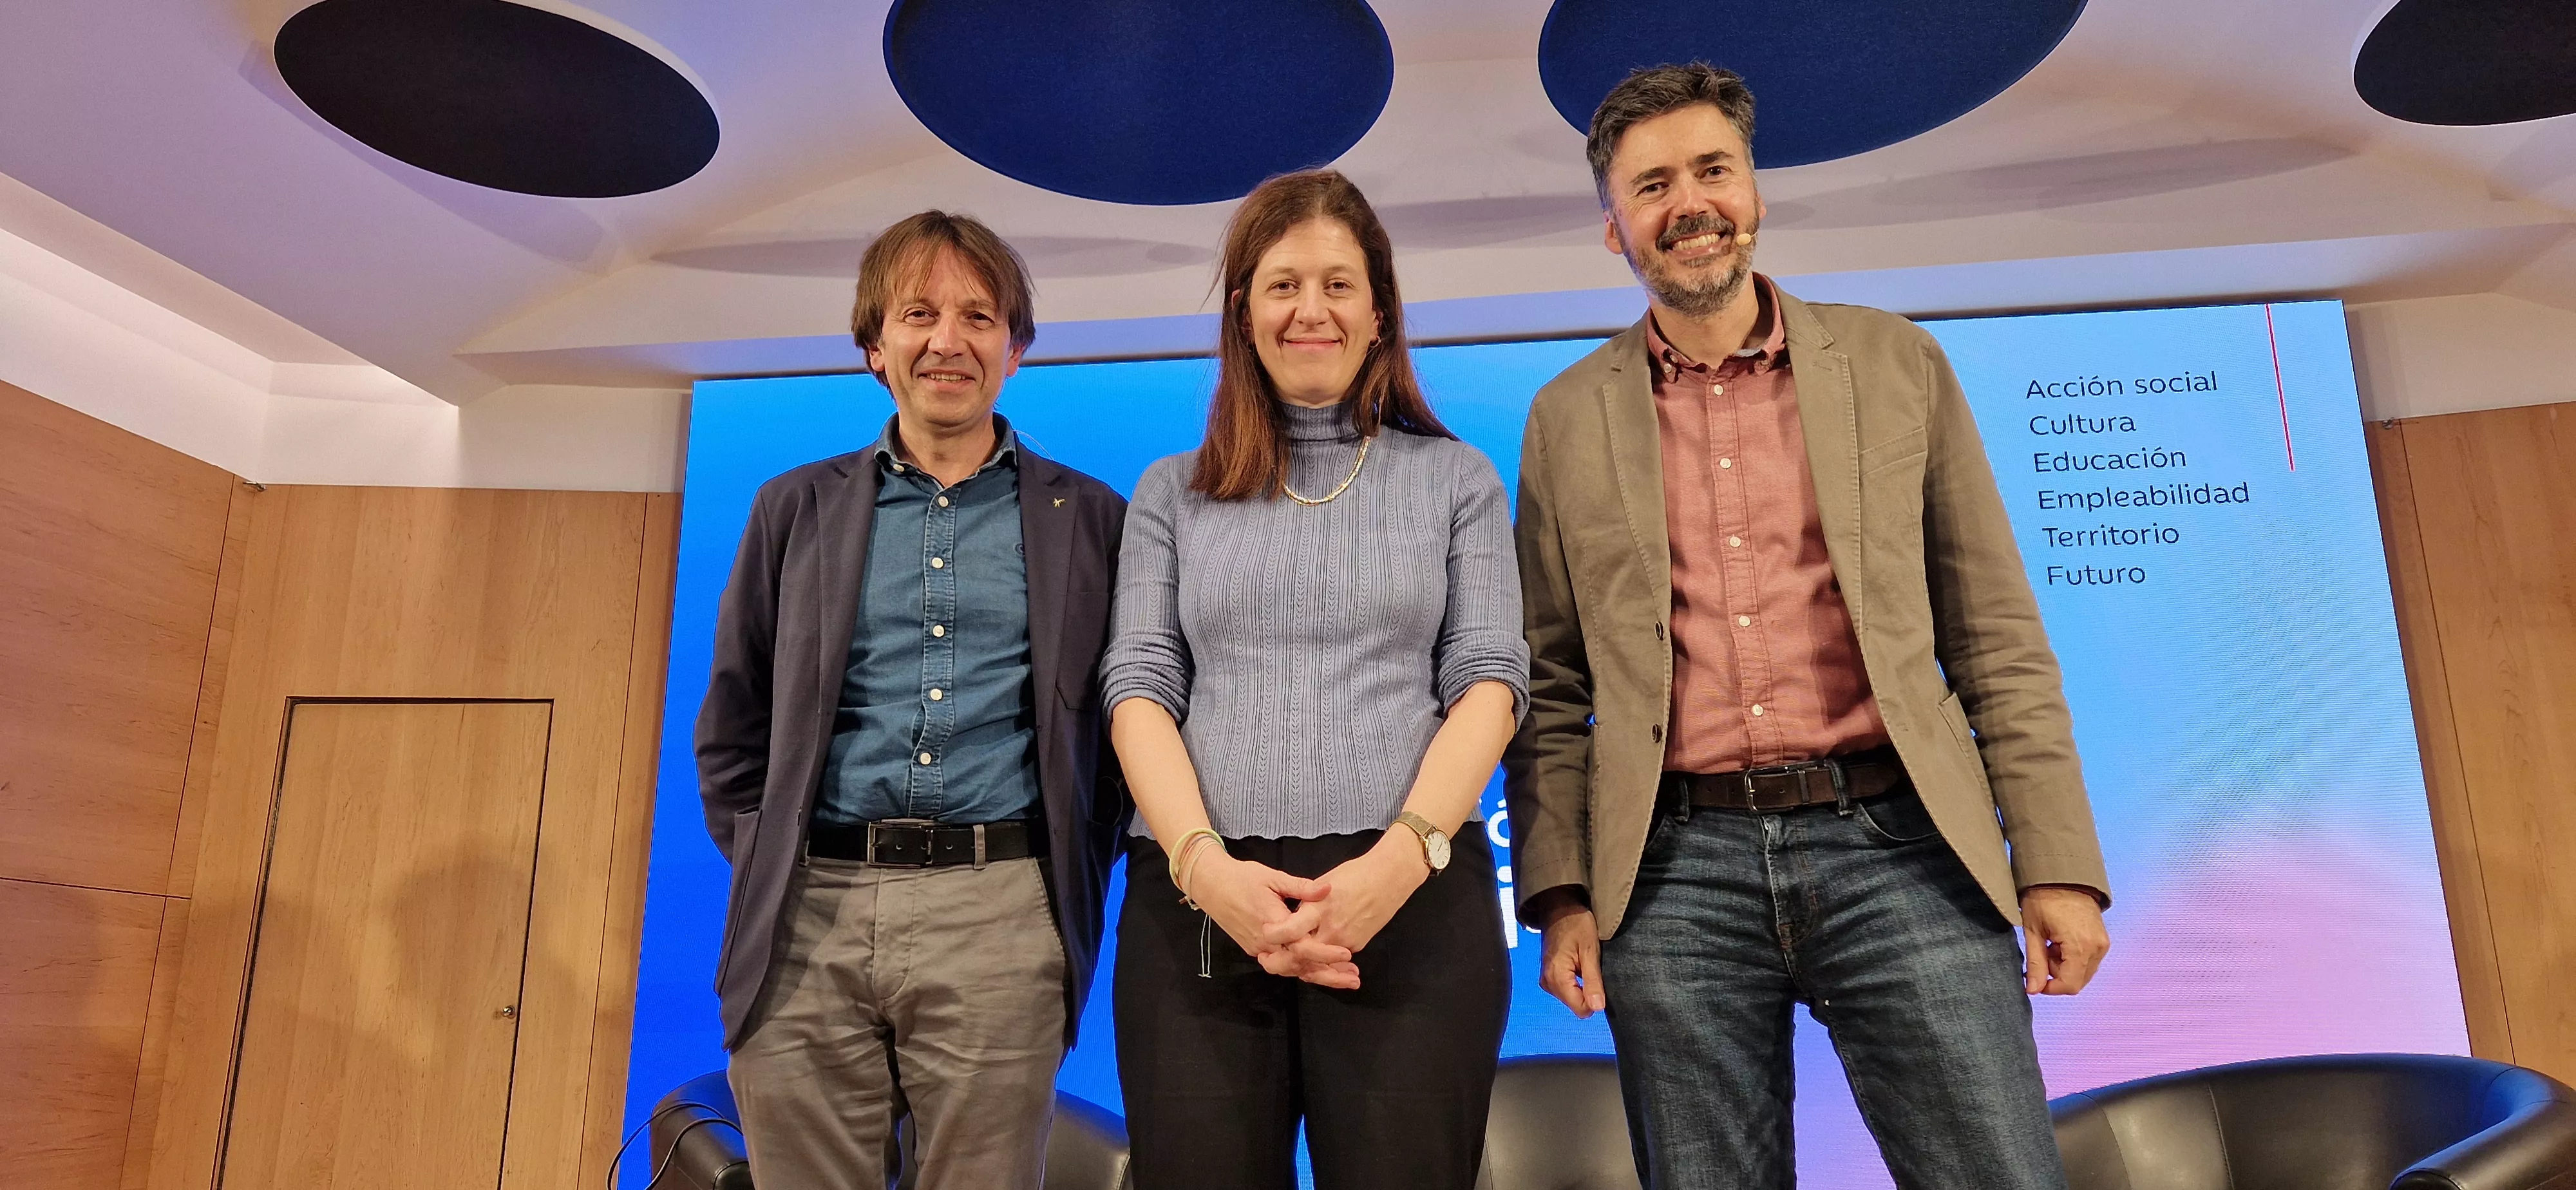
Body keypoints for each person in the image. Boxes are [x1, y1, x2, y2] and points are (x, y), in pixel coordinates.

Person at [1506, 63, 2114, 1189]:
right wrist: (1561, 893)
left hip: (1903, 847)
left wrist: (2060, 864)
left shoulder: (1896, 363)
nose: (1687, 202)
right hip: (1673, 878)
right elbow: (1550, 689)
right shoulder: (1562, 420)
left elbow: (1996, 637)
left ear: (1754, 191)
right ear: (1614, 229)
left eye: (1711, 170)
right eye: (1651, 186)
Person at [1101, 168, 1528, 1190]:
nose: (1311, 310)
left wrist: (1400, 860)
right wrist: (1206, 874)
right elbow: (1139, 686)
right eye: (1283, 284)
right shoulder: (1173, 491)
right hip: (1200, 904)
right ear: (1243, 312)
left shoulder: (1456, 478)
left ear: (1379, 311)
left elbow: (1492, 678)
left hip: (1410, 899)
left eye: (1339, 284)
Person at [696, 210, 1128, 1190]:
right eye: (919, 313)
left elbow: (1118, 737)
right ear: (873, 348)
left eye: (979, 316)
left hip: (1003, 912)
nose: (949, 339)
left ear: (1015, 350)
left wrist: (1053, 882)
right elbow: (733, 728)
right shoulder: (792, 509)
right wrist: (773, 855)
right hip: (808, 911)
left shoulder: (1094, 518)